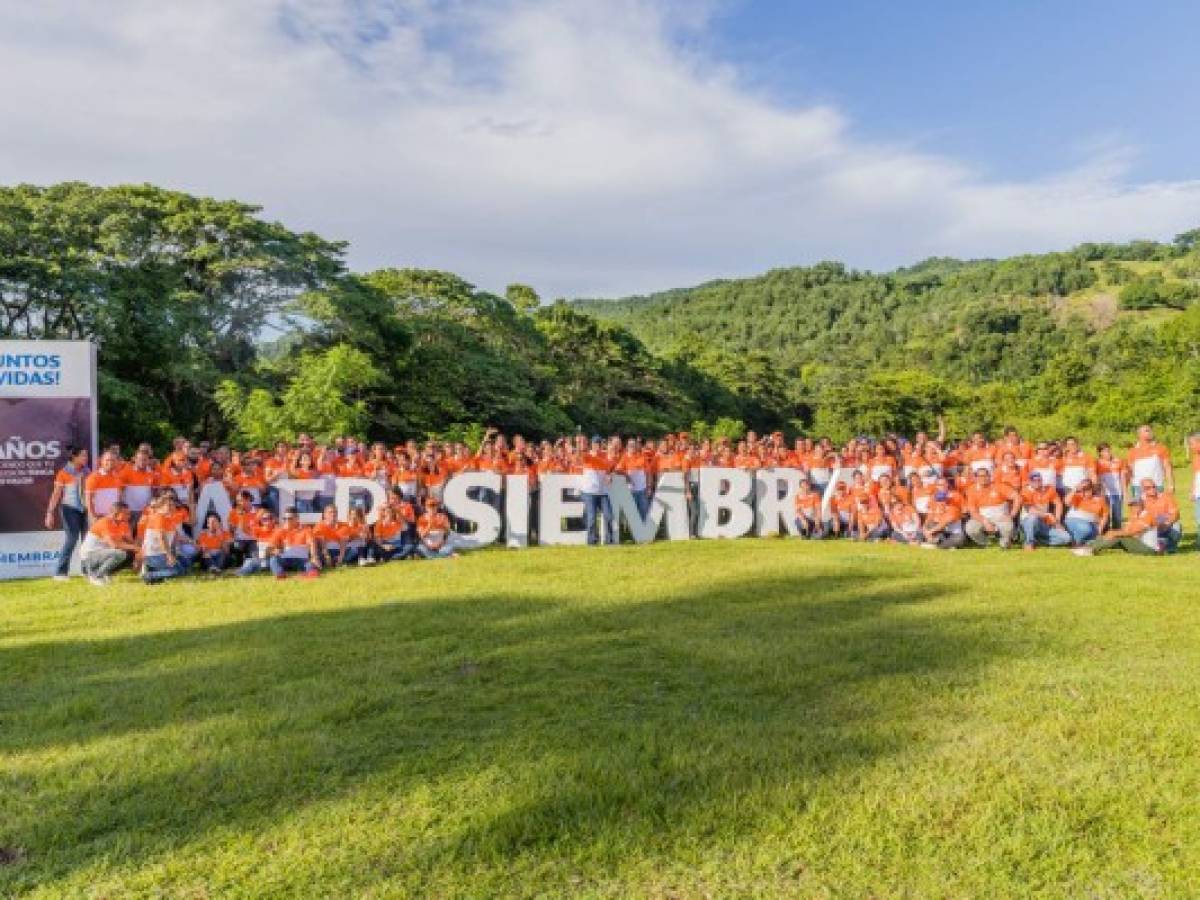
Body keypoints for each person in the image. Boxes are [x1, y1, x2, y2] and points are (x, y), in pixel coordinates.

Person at [1075, 478, 1181, 556]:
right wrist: (1115, 533)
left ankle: (1089, 549)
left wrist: (1116, 533)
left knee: (1120, 538)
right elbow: (1129, 528)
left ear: (1141, 505)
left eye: (1154, 486)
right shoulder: (1139, 511)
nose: (1133, 508)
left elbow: (1132, 532)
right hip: (1145, 538)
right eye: (1131, 506)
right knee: (1117, 538)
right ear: (1143, 490)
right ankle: (1091, 545)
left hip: (1150, 545)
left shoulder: (1147, 514)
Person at [45, 445, 90, 581]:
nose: (86, 458)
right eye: (83, 455)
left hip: (85, 510)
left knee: (87, 540)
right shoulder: (63, 472)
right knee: (72, 539)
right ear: (74, 457)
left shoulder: (87, 471)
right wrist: (49, 513)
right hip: (69, 509)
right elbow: (56, 494)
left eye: (86, 455)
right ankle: (60, 572)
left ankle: (86, 570)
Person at [79, 501, 139, 585]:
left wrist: (138, 550)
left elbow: (131, 542)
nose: (129, 516)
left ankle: (106, 573)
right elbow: (114, 545)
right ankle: (96, 576)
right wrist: (135, 548)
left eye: (129, 513)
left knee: (131, 554)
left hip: (104, 554)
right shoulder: (104, 522)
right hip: (89, 557)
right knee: (120, 554)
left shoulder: (123, 524)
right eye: (126, 513)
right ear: (116, 513)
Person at [964, 469, 1018, 549]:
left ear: (990, 476)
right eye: (980, 476)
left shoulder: (999, 486)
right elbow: (973, 512)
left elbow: (1017, 497)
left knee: (1007, 528)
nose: (983, 478)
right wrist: (985, 521)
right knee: (970, 528)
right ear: (976, 478)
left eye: (985, 475)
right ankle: (987, 543)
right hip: (982, 517)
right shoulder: (971, 490)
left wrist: (1012, 514)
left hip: (1000, 516)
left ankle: (1004, 541)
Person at [1018, 472, 1069, 550]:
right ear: (1030, 482)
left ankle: (1040, 541)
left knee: (1066, 538)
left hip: (1044, 523)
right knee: (1033, 518)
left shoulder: (1049, 489)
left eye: (1039, 480)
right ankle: (1029, 543)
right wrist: (1047, 515)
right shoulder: (1025, 491)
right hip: (1028, 522)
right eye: (1034, 480)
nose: (1037, 482)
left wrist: (1057, 521)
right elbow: (1030, 509)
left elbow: (1058, 504)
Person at [268, 507, 321, 579]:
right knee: (273, 560)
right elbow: (270, 547)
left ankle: (304, 575)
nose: (286, 521)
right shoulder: (279, 530)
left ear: (297, 518)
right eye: (285, 519)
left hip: (302, 560)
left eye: (289, 518)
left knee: (311, 566)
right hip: (285, 559)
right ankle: (280, 574)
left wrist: (314, 557)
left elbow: (312, 543)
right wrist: (274, 551)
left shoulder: (306, 529)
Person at [1125, 425, 1173, 501]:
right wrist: (1125, 491)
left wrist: (1170, 484)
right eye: (1147, 431)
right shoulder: (1133, 451)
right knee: (1141, 512)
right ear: (1139, 434)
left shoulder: (1161, 448)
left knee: (1158, 511)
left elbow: (1167, 467)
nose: (1150, 432)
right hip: (1138, 487)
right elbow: (1129, 472)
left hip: (1157, 485)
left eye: (1151, 430)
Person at [1062, 479, 1108, 547]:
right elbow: (1066, 502)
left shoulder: (1100, 500)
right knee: (1085, 529)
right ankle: (1076, 542)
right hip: (1074, 520)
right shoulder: (1078, 496)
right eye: (1082, 490)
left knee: (1094, 535)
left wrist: (1100, 529)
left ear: (1092, 489)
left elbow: (1105, 516)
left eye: (1086, 490)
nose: (1083, 493)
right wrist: (1075, 489)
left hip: (1091, 523)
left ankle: (1078, 541)